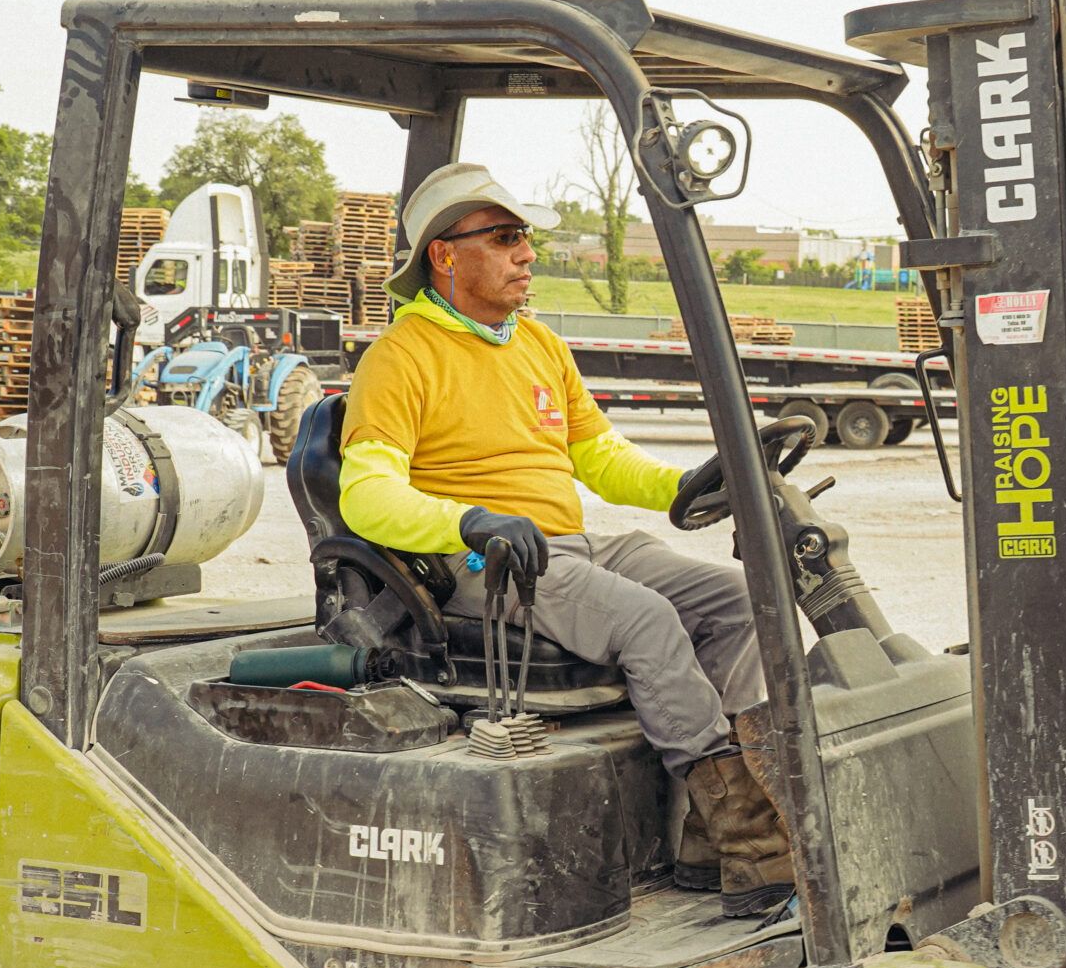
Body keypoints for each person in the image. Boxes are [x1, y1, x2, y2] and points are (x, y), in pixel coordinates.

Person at [337, 161, 792, 915]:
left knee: (739, 599)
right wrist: (469, 521)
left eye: (526, 238)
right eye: (507, 237)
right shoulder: (401, 356)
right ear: (446, 255)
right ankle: (749, 841)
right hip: (488, 560)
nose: (527, 254)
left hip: (567, 544)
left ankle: (705, 836)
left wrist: (680, 486)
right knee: (647, 619)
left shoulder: (538, 344)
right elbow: (367, 493)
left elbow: (600, 457)